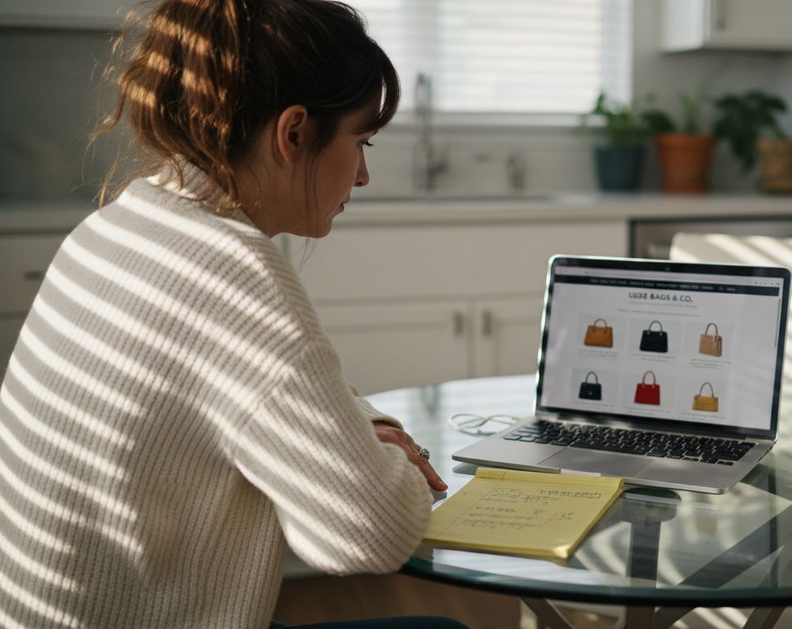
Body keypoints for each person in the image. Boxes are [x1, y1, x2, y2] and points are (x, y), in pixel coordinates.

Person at [0, 1, 467, 628]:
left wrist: (361, 431)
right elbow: (369, 535)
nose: (362, 175)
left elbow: (271, 393)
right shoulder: (233, 274)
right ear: (294, 133)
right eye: (360, 141)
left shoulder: (120, 223)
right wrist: (394, 463)